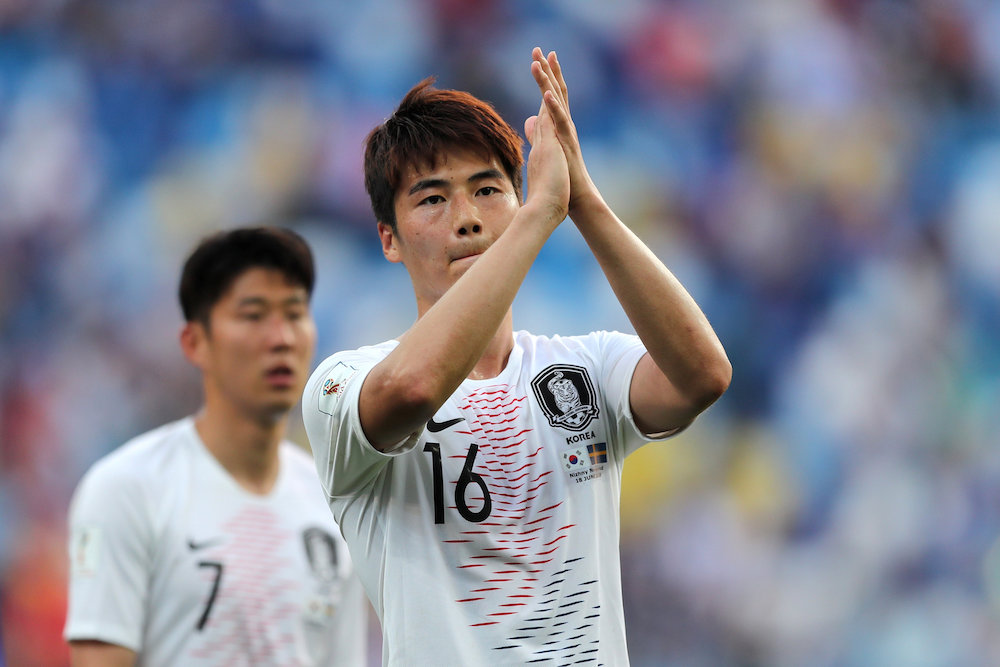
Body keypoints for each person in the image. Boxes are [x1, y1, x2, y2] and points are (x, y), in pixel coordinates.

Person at [302, 48, 732, 665]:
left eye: (488, 190)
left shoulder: (582, 371)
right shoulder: (343, 385)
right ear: (387, 240)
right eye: (432, 199)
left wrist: (582, 199)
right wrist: (537, 218)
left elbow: (703, 376)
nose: (469, 219)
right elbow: (417, 388)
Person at [64, 227, 368, 667]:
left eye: (295, 313)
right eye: (253, 315)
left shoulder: (331, 504)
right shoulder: (127, 489)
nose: (281, 337)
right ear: (195, 342)